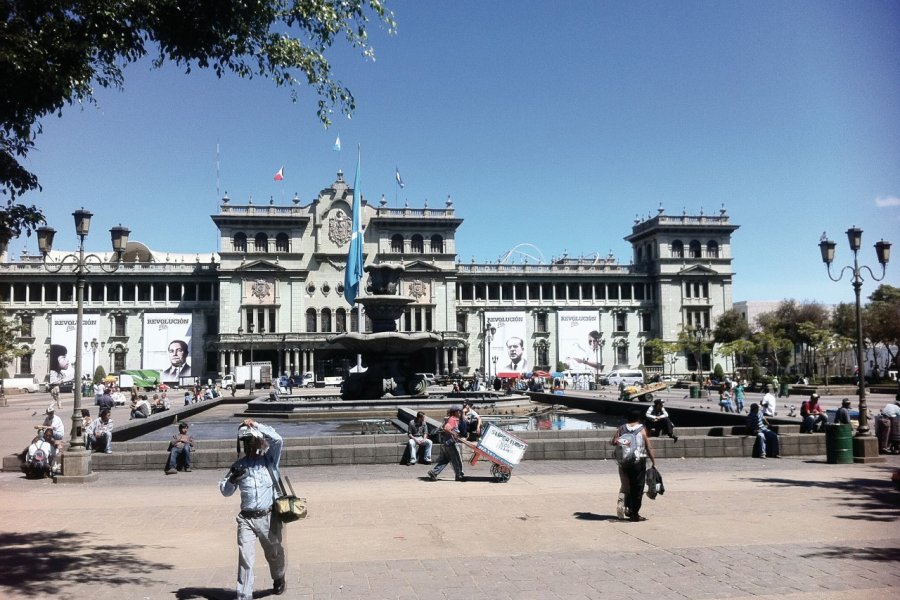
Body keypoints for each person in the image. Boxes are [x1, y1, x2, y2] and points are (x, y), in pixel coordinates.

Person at [219, 419, 286, 599]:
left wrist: (256, 425)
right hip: (246, 519)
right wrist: (233, 479)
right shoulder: (239, 466)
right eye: (247, 442)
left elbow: (278, 440)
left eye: (254, 441)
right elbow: (225, 491)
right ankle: (244, 595)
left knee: (274, 553)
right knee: (246, 560)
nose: (251, 446)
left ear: (261, 441)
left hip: (268, 517)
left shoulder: (270, 461)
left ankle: (279, 577)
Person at [611, 408, 656, 522]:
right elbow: (648, 446)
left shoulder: (622, 428)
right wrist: (653, 461)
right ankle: (634, 514)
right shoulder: (641, 429)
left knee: (626, 485)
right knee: (638, 487)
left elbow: (612, 441)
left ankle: (624, 506)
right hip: (638, 461)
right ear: (639, 418)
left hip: (624, 462)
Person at [427, 405, 465, 482]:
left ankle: (434, 472)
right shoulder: (453, 419)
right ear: (456, 412)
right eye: (459, 411)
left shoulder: (451, 419)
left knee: (445, 459)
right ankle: (459, 475)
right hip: (451, 443)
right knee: (457, 459)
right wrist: (453, 434)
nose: (460, 413)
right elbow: (446, 428)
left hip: (447, 443)